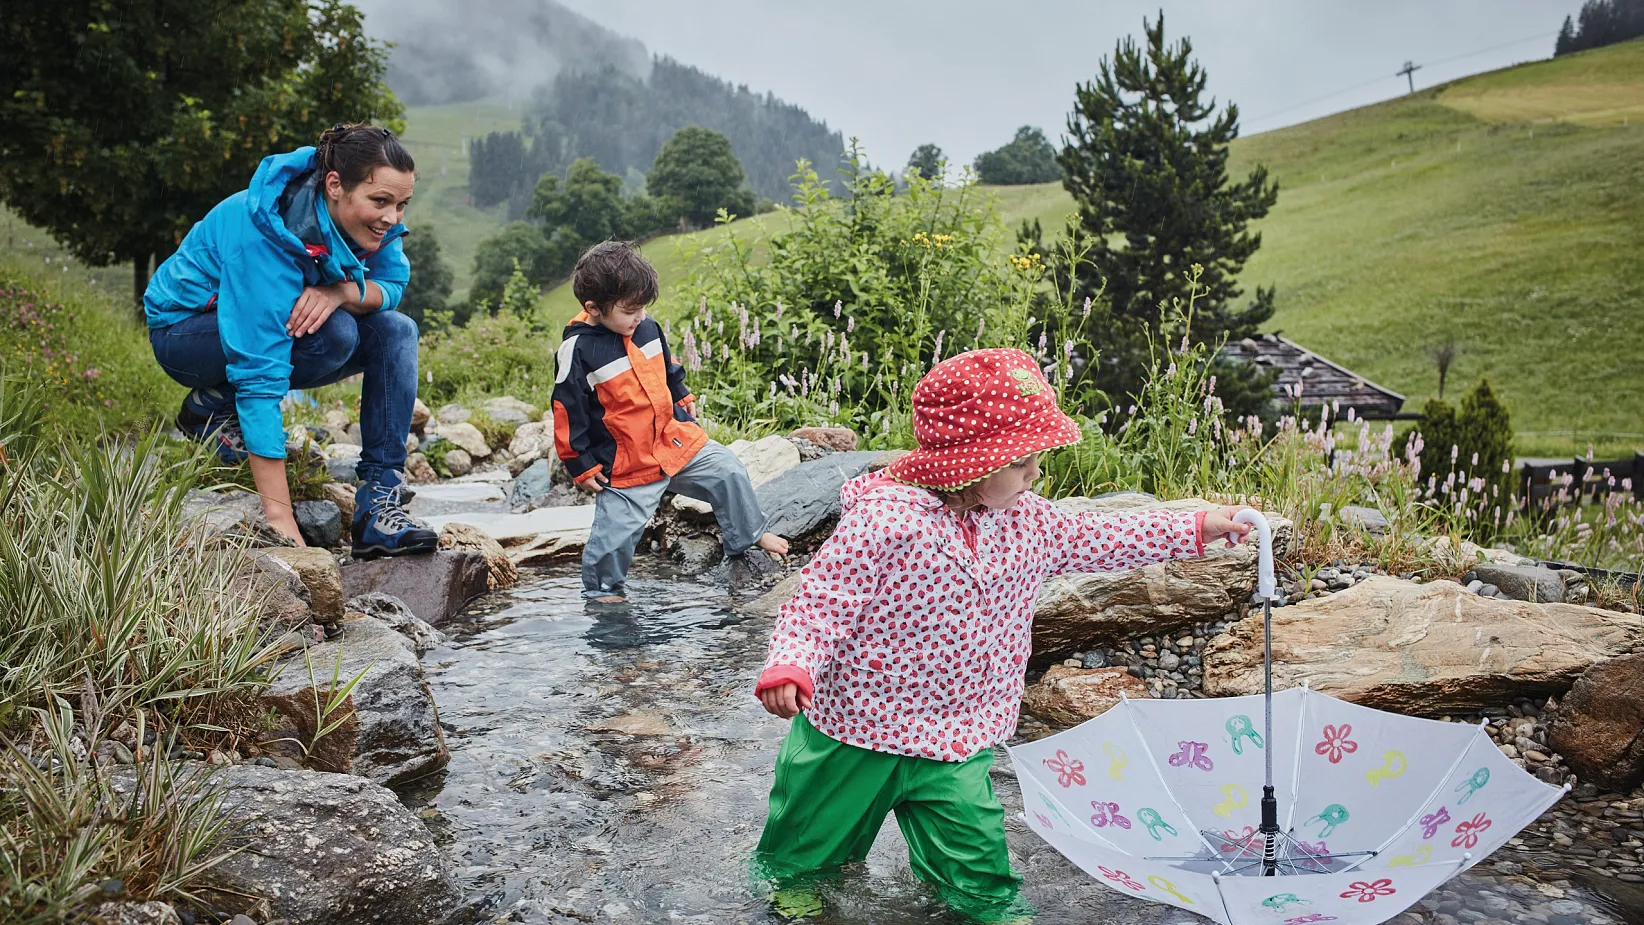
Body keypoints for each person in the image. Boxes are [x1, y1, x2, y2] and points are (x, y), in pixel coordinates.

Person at [751, 348, 1253, 923]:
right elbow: (822, 599)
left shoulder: (1027, 519)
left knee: (979, 863)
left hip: (955, 735)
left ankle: (988, 908)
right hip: (856, 729)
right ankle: (793, 895)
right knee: (808, 843)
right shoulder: (886, 520)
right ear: (970, 463)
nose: (1036, 473)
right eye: (1024, 461)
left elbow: (1104, 534)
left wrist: (1194, 527)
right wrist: (792, 664)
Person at [144, 123, 437, 557]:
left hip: (260, 325)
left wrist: (338, 291)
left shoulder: (373, 224)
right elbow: (259, 372)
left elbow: (392, 282)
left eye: (402, 205)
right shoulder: (263, 232)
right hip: (185, 334)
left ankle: (378, 506)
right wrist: (281, 519)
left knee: (396, 329)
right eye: (380, 201)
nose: (392, 219)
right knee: (335, 332)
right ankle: (209, 408)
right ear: (335, 185)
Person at [551, 241, 789, 603]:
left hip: (672, 440)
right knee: (613, 539)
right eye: (631, 310)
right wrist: (580, 464)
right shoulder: (579, 350)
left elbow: (667, 366)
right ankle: (603, 593)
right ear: (594, 308)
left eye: (644, 307)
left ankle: (747, 533)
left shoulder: (647, 328)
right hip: (626, 463)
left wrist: (681, 393)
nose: (640, 316)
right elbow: (567, 409)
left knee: (729, 471)